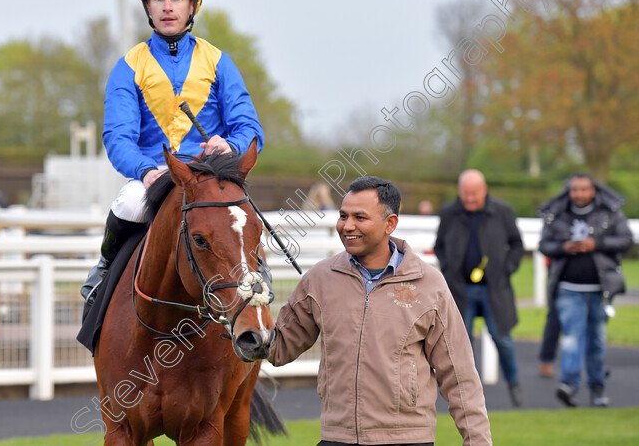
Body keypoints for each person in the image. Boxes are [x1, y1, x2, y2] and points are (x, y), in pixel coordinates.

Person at [80, 0, 265, 305]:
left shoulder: (219, 62)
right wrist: (146, 171)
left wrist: (229, 145)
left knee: (240, 215)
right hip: (156, 175)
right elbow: (117, 137)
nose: (167, 7)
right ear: (147, 8)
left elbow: (250, 128)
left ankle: (257, 281)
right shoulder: (129, 66)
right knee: (130, 202)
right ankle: (104, 272)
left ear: (191, 6)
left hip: (210, 175)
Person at [269, 176, 492, 446]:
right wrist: (240, 308)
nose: (347, 226)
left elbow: (460, 376)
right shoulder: (319, 278)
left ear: (390, 224)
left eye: (360, 217)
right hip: (337, 437)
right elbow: (277, 349)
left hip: (407, 439)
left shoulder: (429, 285)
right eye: (343, 216)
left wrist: (478, 441)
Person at [537, 173, 633, 407]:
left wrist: (596, 244)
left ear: (593, 191)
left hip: (600, 290)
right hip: (568, 289)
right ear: (569, 191)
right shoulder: (558, 213)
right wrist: (563, 247)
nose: (578, 194)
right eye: (574, 189)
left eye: (583, 189)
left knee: (597, 341)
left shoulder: (609, 211)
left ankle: (597, 388)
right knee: (571, 338)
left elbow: (626, 239)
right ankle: (569, 386)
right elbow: (544, 244)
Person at [433, 169, 525, 407]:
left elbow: (517, 245)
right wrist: (449, 269)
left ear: (484, 190)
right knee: (462, 343)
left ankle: (514, 383)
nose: (470, 199)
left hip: (494, 289)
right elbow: (440, 245)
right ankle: (466, 394)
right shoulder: (449, 211)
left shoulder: (502, 211)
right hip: (461, 290)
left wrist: (506, 269)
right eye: (465, 194)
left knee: (501, 338)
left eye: (474, 194)